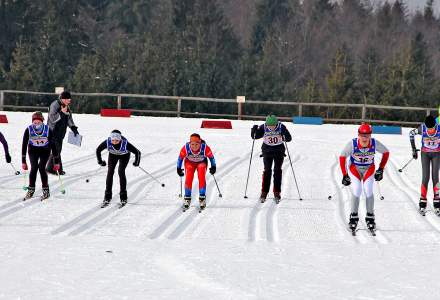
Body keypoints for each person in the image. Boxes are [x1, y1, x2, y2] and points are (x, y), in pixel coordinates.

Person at [339, 123, 389, 233]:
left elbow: (386, 152)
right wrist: (345, 175)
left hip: (369, 169)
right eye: (362, 135)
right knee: (357, 190)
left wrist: (381, 169)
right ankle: (353, 216)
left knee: (368, 190)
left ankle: (370, 216)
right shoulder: (352, 144)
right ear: (358, 134)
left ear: (371, 135)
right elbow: (342, 157)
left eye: (367, 135)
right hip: (355, 169)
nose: (364, 138)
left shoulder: (374, 143)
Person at [251, 114, 292, 203]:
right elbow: (255, 137)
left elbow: (289, 139)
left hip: (278, 151)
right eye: (270, 126)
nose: (271, 127)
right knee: (267, 171)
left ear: (276, 123)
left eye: (273, 126)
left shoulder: (281, 127)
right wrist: (253, 130)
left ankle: (277, 192)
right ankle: (264, 192)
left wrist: (284, 134)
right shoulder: (263, 127)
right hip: (267, 151)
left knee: (277, 171)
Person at [96, 129, 141, 207]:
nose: (114, 142)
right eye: (113, 140)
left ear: (120, 139)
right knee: (110, 172)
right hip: (113, 155)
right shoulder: (107, 142)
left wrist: (136, 162)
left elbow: (137, 152)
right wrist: (100, 162)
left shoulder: (125, 144)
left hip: (124, 156)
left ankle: (123, 197)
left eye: (117, 141)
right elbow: (98, 150)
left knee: (121, 171)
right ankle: (107, 197)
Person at [22, 111, 59, 201]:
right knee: (34, 168)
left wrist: (56, 162)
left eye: (39, 122)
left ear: (42, 121)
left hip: (45, 151)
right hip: (33, 151)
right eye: (34, 122)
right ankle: (31, 190)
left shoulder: (47, 129)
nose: (36, 124)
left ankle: (46, 191)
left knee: (42, 168)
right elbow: (24, 144)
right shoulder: (29, 129)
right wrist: (23, 161)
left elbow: (53, 145)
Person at [409, 115, 440, 215]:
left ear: (435, 125)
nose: (430, 131)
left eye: (432, 128)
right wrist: (414, 149)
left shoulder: (439, 128)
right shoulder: (422, 128)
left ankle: (437, 201)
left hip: (437, 154)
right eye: (428, 129)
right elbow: (411, 133)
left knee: (435, 177)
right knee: (425, 177)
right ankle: (423, 201)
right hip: (425, 154)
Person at [177, 133, 216, 211]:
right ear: (190, 143)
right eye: (193, 144)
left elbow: (211, 158)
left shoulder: (205, 148)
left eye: (197, 144)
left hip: (201, 163)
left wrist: (213, 167)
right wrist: (178, 168)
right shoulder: (186, 147)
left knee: (201, 176)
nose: (194, 146)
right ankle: (187, 198)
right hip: (189, 163)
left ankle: (202, 198)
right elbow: (180, 158)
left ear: (200, 143)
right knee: (189, 177)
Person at [46, 90, 79, 175]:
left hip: (61, 132)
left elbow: (69, 118)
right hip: (53, 131)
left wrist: (73, 128)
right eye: (68, 99)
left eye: (69, 99)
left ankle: (51, 168)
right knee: (56, 150)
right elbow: (52, 118)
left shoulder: (66, 106)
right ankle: (55, 169)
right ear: (63, 99)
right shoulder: (54, 105)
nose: (69, 101)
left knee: (57, 150)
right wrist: (61, 112)